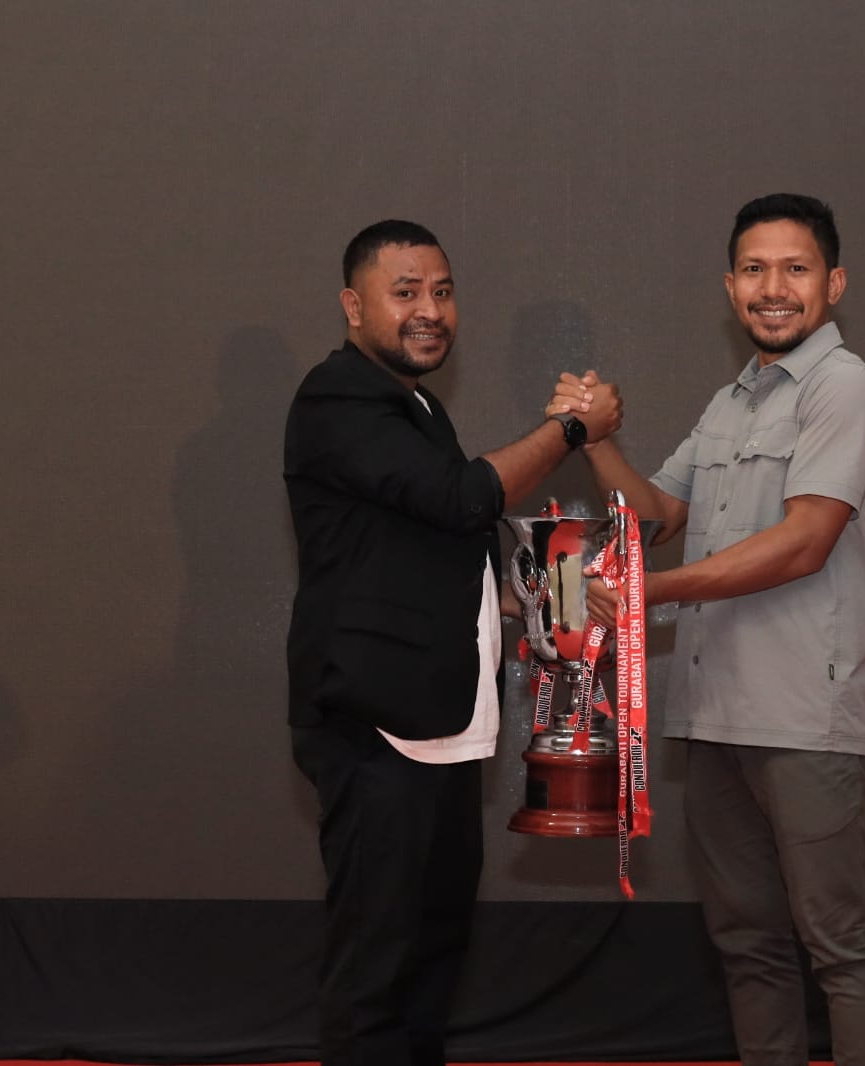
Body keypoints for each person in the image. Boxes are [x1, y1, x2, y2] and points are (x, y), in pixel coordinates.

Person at [565, 193, 865, 1066]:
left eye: (795, 268)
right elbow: (657, 514)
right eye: (754, 269)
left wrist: (648, 595)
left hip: (802, 717)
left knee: (839, 944)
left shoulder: (845, 388)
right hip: (714, 715)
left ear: (833, 283)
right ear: (730, 287)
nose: (773, 288)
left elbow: (803, 542)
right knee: (747, 943)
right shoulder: (731, 402)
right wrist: (595, 440)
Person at [283, 219, 621, 1066]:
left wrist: (541, 598)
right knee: (376, 970)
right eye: (405, 293)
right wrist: (571, 430)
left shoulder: (419, 407)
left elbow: (433, 550)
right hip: (377, 728)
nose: (429, 310)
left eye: (442, 291)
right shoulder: (337, 396)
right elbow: (462, 499)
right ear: (352, 306)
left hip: (441, 729)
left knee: (433, 953)